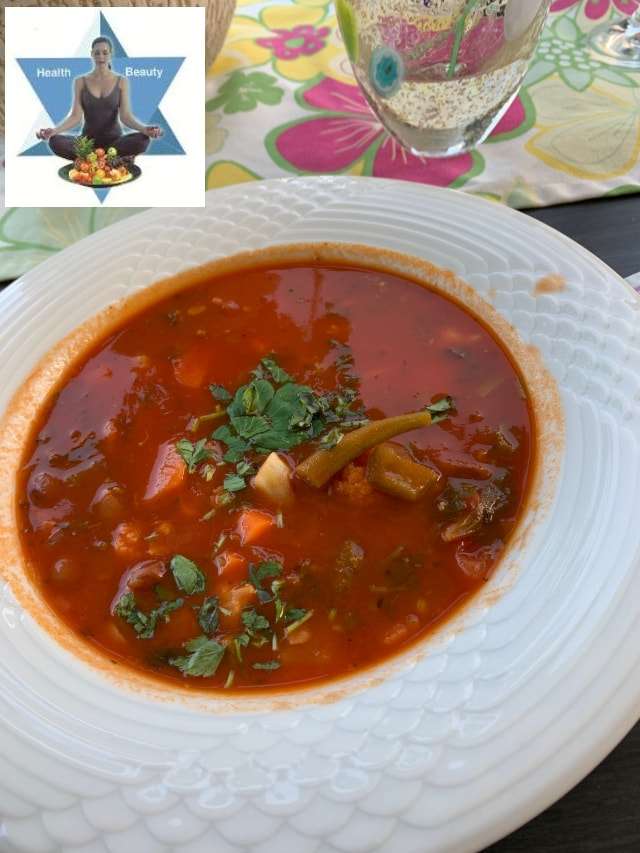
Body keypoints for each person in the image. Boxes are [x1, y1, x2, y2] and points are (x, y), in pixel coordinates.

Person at [36, 36, 163, 161]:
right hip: (86, 143)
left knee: (142, 141)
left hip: (114, 143)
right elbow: (75, 116)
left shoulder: (121, 81)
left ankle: (94, 159)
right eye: (97, 53)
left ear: (110, 54)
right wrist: (54, 131)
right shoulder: (80, 81)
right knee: (55, 142)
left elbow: (126, 117)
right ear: (91, 54)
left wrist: (144, 129)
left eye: (105, 52)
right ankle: (106, 159)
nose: (101, 57)